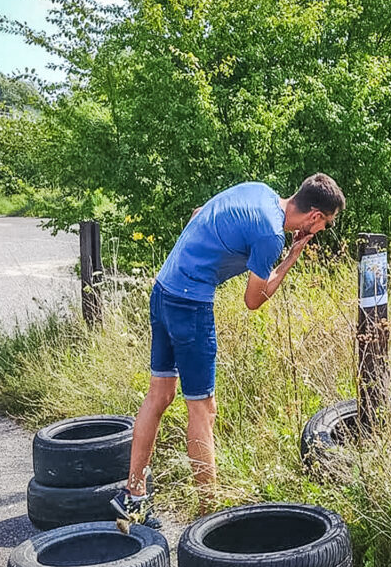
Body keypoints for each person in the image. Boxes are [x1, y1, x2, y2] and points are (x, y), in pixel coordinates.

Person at [111, 174, 346, 528]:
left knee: (159, 394)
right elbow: (254, 300)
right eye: (325, 224)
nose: (322, 231)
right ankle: (210, 520)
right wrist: (290, 258)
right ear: (314, 216)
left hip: (162, 290)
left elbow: (198, 213)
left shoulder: (259, 191)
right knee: (203, 409)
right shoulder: (271, 234)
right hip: (189, 305)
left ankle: (133, 495)